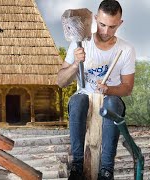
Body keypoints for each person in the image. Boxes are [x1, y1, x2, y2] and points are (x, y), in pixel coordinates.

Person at [57, 0, 135, 180]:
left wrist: (109, 88)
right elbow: (61, 82)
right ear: (95, 18)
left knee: (112, 103)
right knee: (77, 101)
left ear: (120, 23)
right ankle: (77, 166)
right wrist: (75, 64)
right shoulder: (79, 43)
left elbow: (127, 88)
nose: (106, 31)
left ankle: (107, 170)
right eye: (102, 24)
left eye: (112, 27)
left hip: (109, 99)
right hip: (84, 98)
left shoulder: (127, 49)